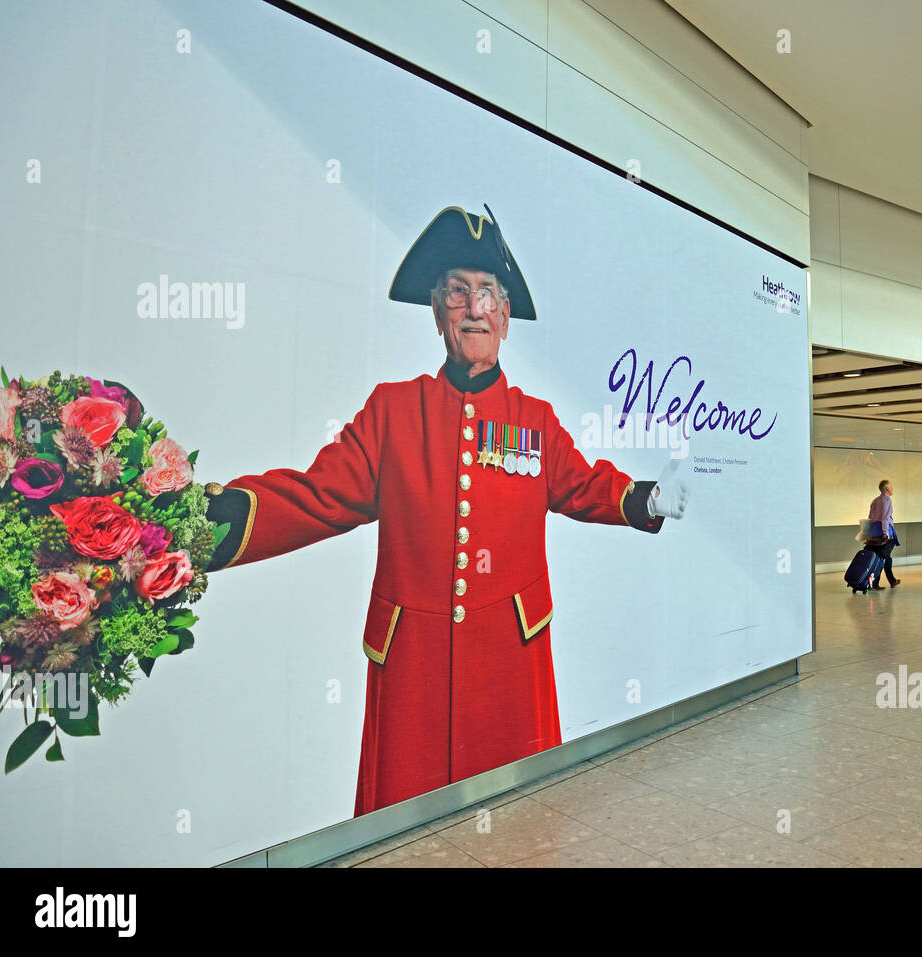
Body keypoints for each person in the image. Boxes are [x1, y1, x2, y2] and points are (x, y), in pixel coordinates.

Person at [202, 204, 690, 816]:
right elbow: (317, 494)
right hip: (414, 667)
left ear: (506, 317)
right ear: (437, 313)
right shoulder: (391, 412)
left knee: (518, 824)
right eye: (458, 292)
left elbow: (584, 484)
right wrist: (198, 525)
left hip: (507, 657)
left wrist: (646, 498)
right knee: (404, 827)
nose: (474, 306)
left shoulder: (534, 420)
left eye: (487, 292)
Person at [866, 479, 900, 589]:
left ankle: (891, 581)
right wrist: (885, 533)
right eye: (891, 487)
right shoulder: (887, 500)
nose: (892, 488)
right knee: (882, 558)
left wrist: (869, 534)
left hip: (874, 532)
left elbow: (870, 518)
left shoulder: (875, 501)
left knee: (884, 557)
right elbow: (885, 518)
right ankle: (876, 583)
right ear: (886, 489)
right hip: (883, 533)